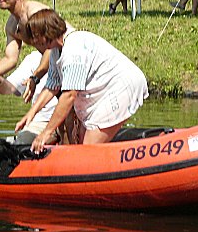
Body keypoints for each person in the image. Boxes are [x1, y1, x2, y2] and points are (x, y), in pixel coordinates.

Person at [15, 9, 149, 154]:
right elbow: (52, 86)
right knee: (80, 140)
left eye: (36, 36)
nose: (34, 41)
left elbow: (69, 96)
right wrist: (31, 113)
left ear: (47, 32)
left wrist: (46, 133)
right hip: (100, 94)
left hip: (121, 87)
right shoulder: (55, 51)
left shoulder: (73, 50)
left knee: (87, 150)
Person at [0, 50, 59, 145]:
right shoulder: (34, 58)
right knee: (23, 143)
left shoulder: (69, 53)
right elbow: (9, 88)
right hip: (40, 122)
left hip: (68, 121)